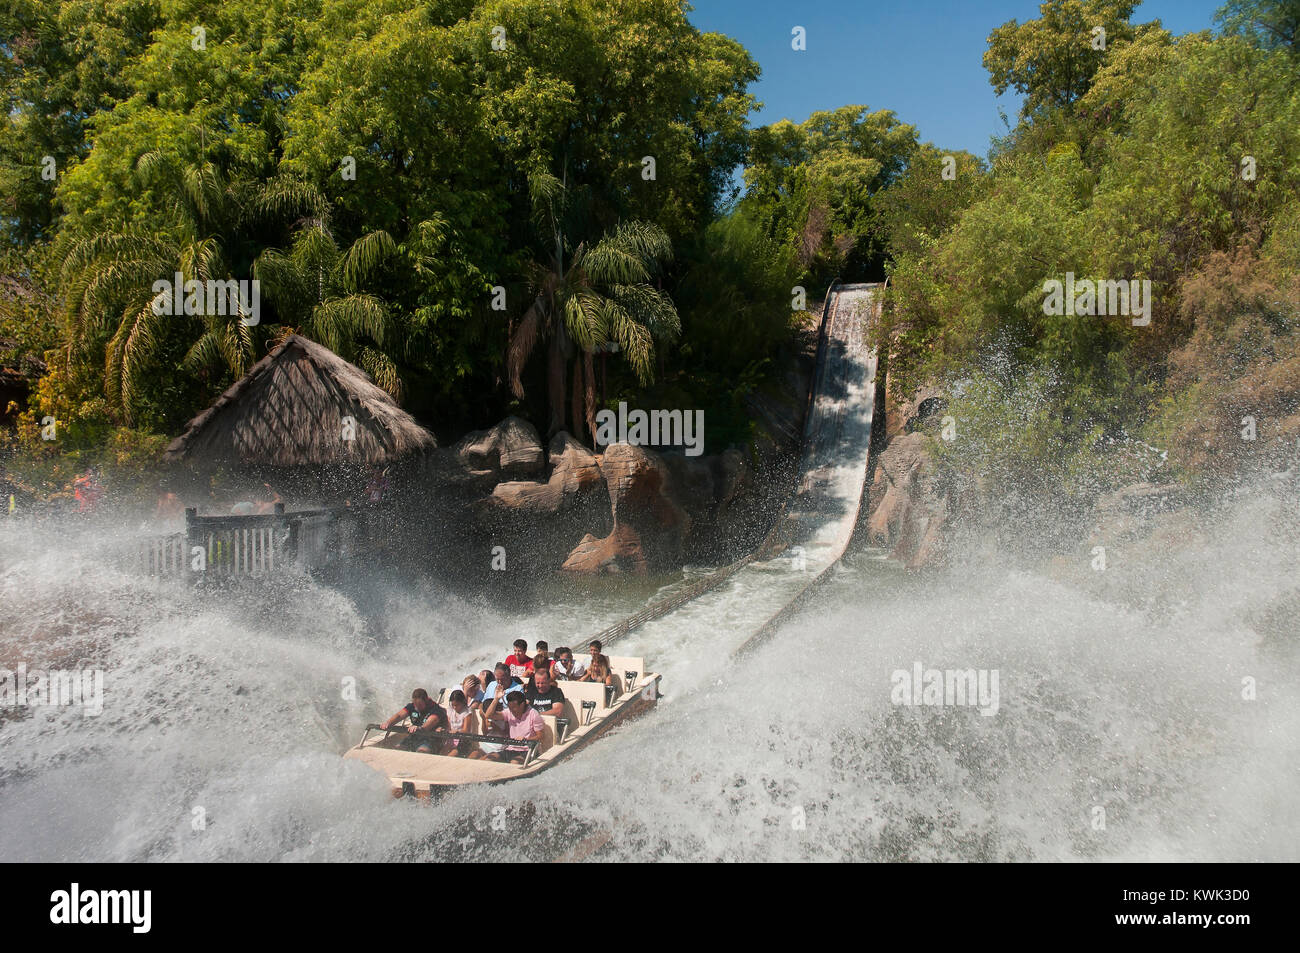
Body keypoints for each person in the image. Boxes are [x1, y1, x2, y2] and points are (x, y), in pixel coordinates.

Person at [483, 691, 544, 764]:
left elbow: (540, 736)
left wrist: (526, 739)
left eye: (514, 708)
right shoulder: (509, 712)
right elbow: (488, 715)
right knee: (489, 759)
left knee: (514, 763)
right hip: (510, 749)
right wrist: (496, 699)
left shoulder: (534, 714)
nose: (511, 710)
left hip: (527, 750)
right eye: (510, 707)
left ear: (522, 705)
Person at [380, 688, 446, 753]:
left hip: (431, 739)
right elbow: (399, 715)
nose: (417, 707)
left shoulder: (436, 709)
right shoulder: (412, 706)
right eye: (415, 704)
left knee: (421, 751)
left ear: (426, 701)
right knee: (397, 749)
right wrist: (388, 723)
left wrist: (420, 728)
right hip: (414, 737)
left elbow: (430, 722)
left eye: (419, 705)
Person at [443, 690, 476, 758]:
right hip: (451, 739)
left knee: (451, 755)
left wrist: (457, 732)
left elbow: (466, 730)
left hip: (463, 740)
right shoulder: (450, 710)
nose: (454, 707)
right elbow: (448, 726)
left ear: (462, 702)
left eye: (457, 705)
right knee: (442, 753)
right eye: (453, 705)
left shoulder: (467, 711)